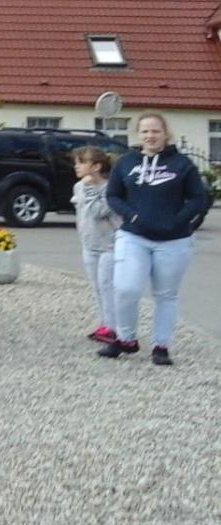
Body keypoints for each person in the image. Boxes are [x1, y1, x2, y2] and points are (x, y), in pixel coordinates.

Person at [98, 112, 210, 365]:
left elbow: (197, 198)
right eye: (145, 131)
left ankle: (161, 345)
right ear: (138, 135)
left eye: (155, 131)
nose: (150, 136)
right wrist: (132, 215)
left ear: (165, 134)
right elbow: (113, 195)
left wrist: (178, 220)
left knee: (166, 295)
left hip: (174, 241)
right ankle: (126, 339)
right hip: (134, 236)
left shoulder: (182, 164)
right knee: (126, 288)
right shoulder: (126, 163)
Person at [71, 145, 120, 344]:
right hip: (89, 244)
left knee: (107, 286)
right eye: (76, 163)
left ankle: (113, 328)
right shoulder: (79, 186)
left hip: (109, 245)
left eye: (82, 162)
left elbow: (98, 211)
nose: (77, 166)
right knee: (96, 287)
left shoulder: (109, 189)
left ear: (96, 166)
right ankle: (103, 324)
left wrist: (90, 188)